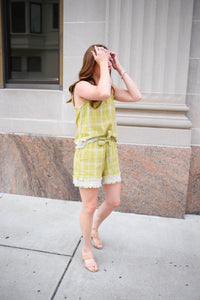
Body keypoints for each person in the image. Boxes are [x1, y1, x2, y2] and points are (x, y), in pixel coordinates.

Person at [68, 44, 142, 272]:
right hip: (89, 151)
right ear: (93, 61)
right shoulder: (81, 86)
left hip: (109, 150)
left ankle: (94, 227)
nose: (108, 63)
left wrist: (120, 69)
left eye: (110, 60)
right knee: (89, 206)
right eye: (104, 59)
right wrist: (101, 64)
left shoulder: (109, 87)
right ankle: (86, 248)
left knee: (114, 200)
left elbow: (136, 96)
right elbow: (99, 93)